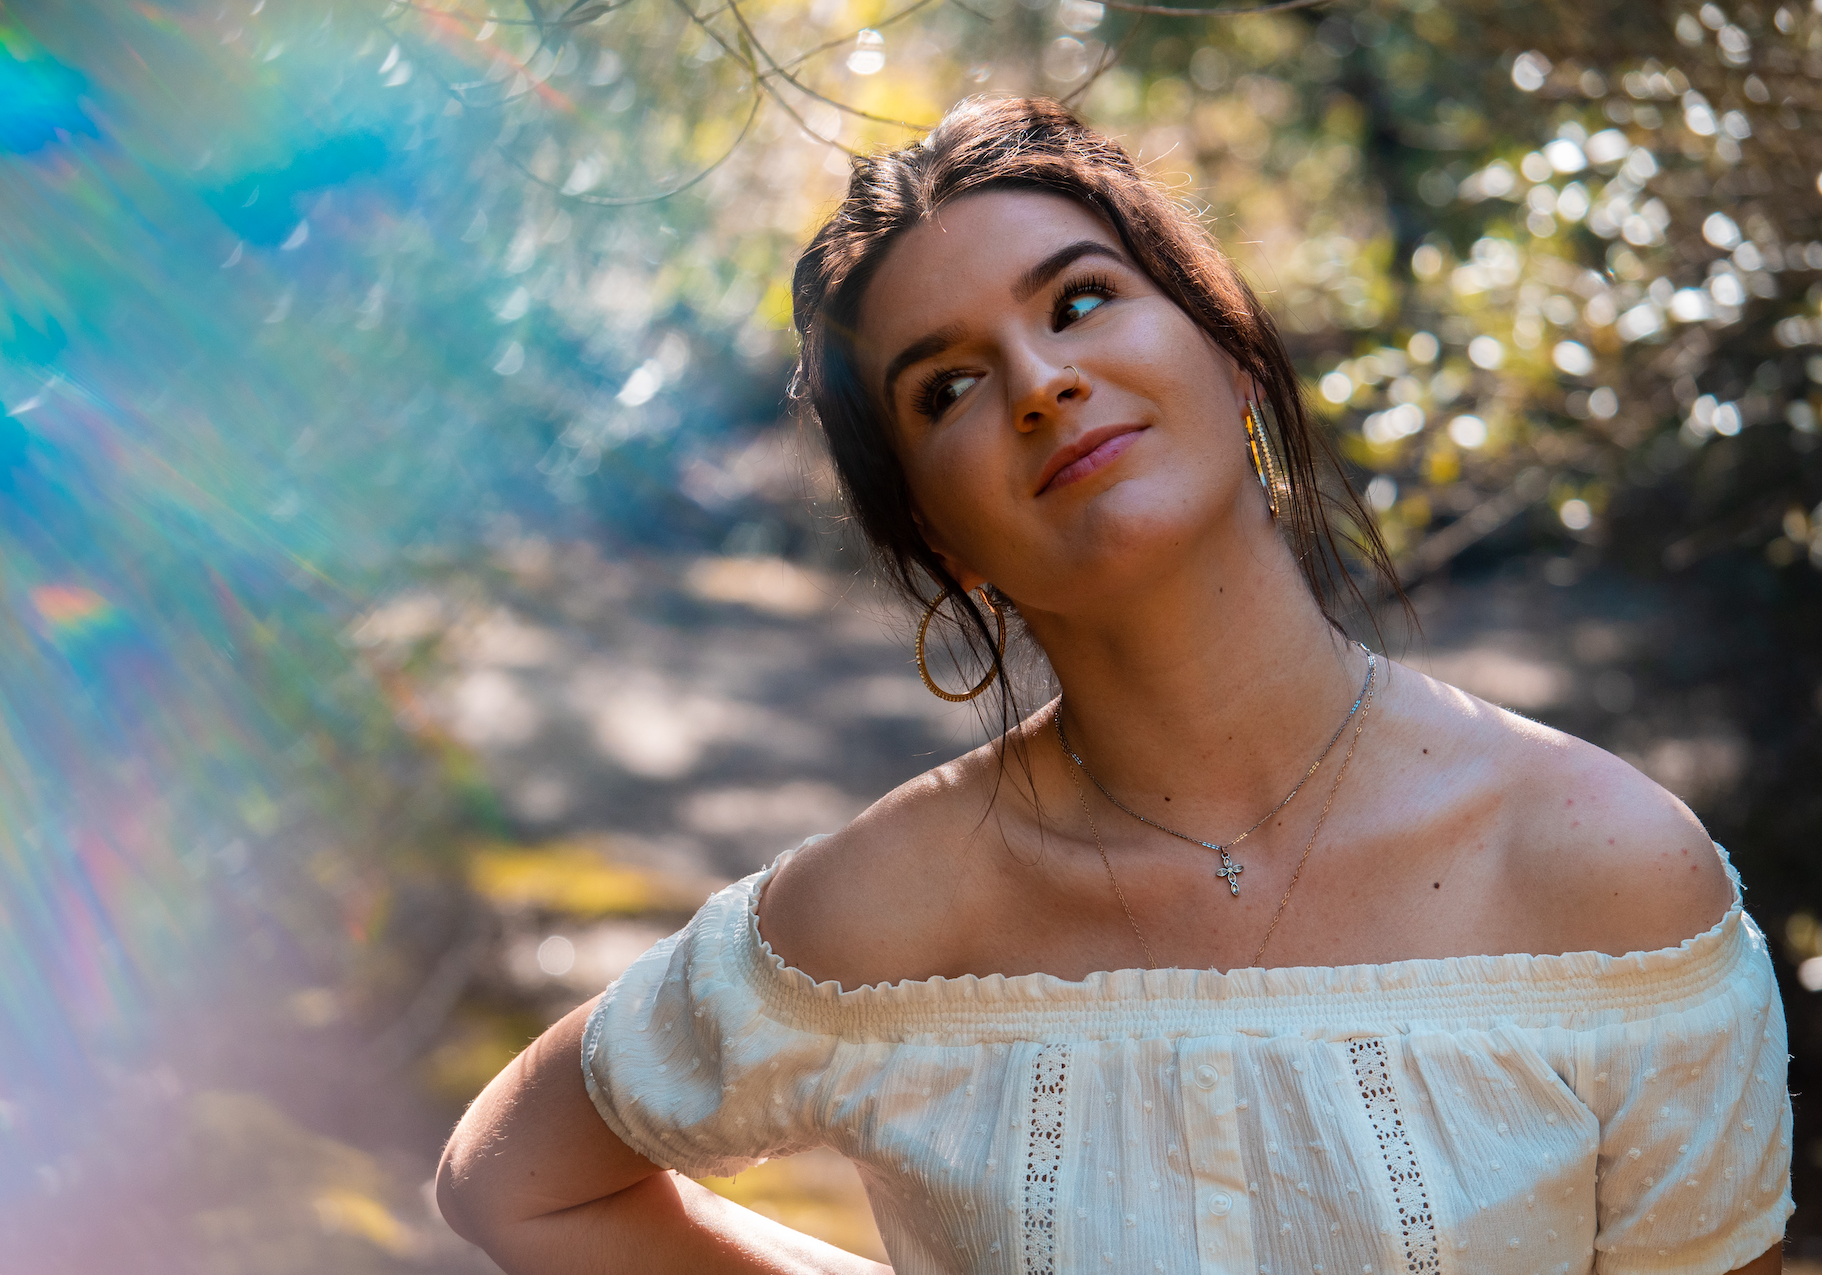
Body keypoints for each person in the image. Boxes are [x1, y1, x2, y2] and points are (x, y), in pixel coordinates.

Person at [434, 97, 1791, 1275]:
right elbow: (517, 1182)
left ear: (1231, 350)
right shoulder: (891, 908)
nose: (1039, 382)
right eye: (946, 386)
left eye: (1078, 302)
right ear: (936, 535)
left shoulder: (1611, 880)